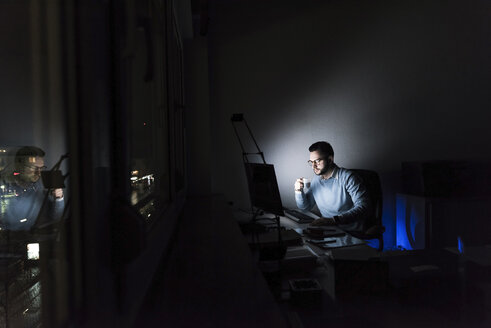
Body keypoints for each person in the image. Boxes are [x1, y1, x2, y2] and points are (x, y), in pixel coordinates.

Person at [294, 141, 370, 232]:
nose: (313, 166)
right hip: (329, 230)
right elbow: (305, 207)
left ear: (330, 160)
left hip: (350, 232)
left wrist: (334, 220)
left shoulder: (348, 177)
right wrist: (298, 191)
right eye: (311, 162)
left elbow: (364, 207)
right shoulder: (316, 179)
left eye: (317, 161)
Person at [0, 146, 64, 231]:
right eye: (33, 167)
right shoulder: (3, 185)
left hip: (33, 237)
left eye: (41, 168)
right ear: (18, 165)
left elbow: (55, 218)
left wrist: (58, 198)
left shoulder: (41, 185)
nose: (38, 173)